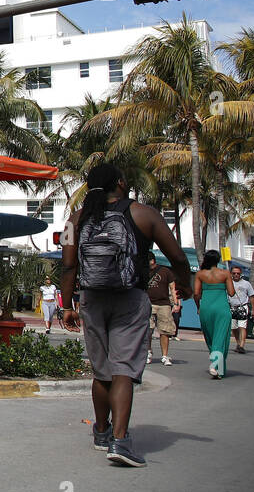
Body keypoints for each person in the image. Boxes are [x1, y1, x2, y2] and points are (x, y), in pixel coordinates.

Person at [62, 163, 192, 468]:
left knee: (101, 369)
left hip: (91, 299)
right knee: (122, 370)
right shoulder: (143, 213)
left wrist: (67, 306)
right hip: (130, 298)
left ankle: (101, 431)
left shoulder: (75, 219)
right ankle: (120, 441)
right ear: (120, 183)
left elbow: (68, 266)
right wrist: (184, 284)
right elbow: (176, 256)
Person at [194, 250, 234, 377]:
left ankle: (219, 370)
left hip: (206, 308)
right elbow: (232, 292)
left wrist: (199, 307)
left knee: (210, 337)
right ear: (218, 260)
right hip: (221, 308)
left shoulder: (200, 274)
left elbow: (196, 293)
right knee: (221, 338)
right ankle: (215, 364)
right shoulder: (225, 273)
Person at [144, 254, 178, 366]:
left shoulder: (165, 271)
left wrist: (176, 303)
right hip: (148, 303)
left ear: (152, 260)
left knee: (165, 331)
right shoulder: (143, 271)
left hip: (164, 305)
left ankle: (164, 356)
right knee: (148, 330)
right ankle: (148, 352)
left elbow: (173, 288)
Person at [228, 265, 254, 354]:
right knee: (234, 328)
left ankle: (242, 345)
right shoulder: (228, 283)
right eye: (234, 273)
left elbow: (252, 296)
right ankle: (238, 343)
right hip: (231, 307)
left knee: (242, 327)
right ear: (231, 274)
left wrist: (253, 309)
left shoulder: (246, 284)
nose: (236, 275)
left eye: (238, 273)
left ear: (241, 274)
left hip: (242, 307)